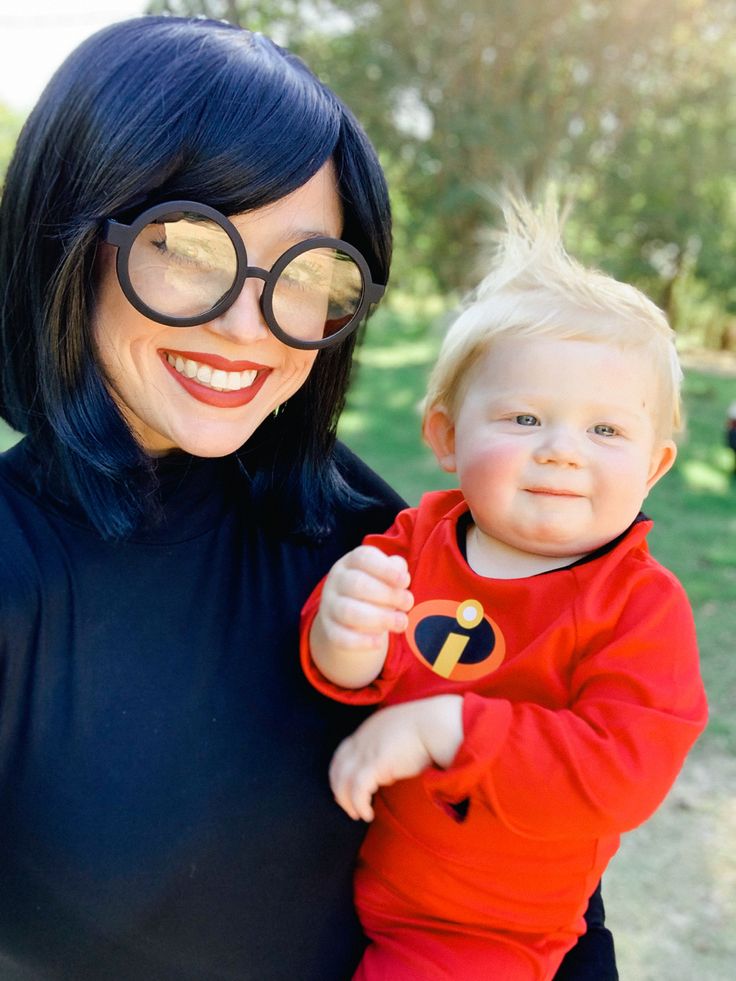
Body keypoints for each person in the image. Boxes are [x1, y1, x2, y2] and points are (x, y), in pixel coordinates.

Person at [0, 16, 615, 981]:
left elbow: (543, 870)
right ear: (69, 238)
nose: (250, 325)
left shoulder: (375, 532)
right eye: (191, 247)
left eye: (309, 271)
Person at [301, 195, 708, 980]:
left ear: (655, 466)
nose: (561, 451)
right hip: (354, 867)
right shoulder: (418, 538)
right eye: (524, 419)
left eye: (606, 430)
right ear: (447, 436)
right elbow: (350, 675)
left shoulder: (637, 605)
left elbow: (620, 769)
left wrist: (450, 727)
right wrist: (341, 629)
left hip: (484, 928)